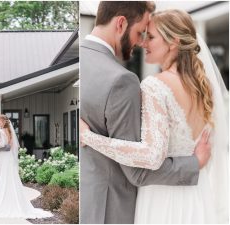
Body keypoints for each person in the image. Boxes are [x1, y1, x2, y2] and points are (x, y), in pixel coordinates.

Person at [80, 9, 228, 223]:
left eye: (150, 36)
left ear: (173, 42)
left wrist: (89, 137)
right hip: (196, 194)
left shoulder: (155, 85)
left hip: (162, 198)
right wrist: (195, 162)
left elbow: (150, 155)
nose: (142, 43)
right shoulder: (203, 87)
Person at [0, 115, 53, 219]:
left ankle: (5, 203)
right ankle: (8, 200)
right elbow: (9, 144)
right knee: (8, 179)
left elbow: (2, 144)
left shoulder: (3, 130)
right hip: (6, 157)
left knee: (4, 179)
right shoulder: (8, 130)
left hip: (4, 157)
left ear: (3, 121)